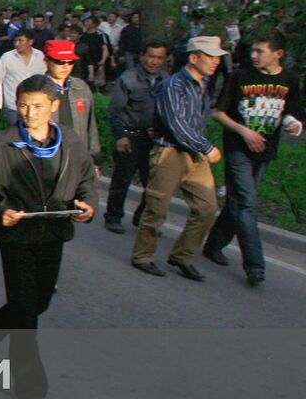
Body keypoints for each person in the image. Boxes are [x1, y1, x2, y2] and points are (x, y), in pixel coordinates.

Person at [0, 75, 97, 399]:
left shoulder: (70, 141)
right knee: (26, 314)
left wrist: (88, 205)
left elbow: (86, 180)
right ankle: (30, 390)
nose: (29, 112)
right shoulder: (4, 143)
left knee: (39, 302)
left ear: (55, 106)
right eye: (23, 104)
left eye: (38, 106)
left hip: (53, 233)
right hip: (17, 237)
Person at [202, 31, 302, 286]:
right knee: (247, 203)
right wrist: (244, 131)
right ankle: (255, 266)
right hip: (238, 148)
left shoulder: (289, 78)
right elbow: (219, 113)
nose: (254, 55)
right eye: (253, 51)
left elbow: (291, 111)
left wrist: (293, 124)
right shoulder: (240, 77)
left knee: (237, 201)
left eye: (260, 51)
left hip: (266, 149)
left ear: (278, 54)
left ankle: (213, 244)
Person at [131, 36, 228, 280]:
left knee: (207, 208)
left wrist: (200, 149)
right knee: (157, 209)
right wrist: (206, 147)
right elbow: (176, 124)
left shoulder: (203, 84)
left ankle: (182, 256)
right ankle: (143, 256)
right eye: (210, 57)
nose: (216, 62)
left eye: (218, 57)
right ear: (194, 58)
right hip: (170, 152)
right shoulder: (174, 85)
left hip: (194, 155)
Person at [104, 40, 169, 234]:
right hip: (130, 137)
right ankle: (113, 217)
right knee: (122, 180)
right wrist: (120, 136)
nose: (154, 61)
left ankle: (143, 218)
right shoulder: (129, 79)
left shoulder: (167, 80)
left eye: (159, 58)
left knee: (153, 183)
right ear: (142, 56)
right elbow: (115, 111)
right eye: (150, 56)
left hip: (155, 139)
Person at [43, 40, 101, 159]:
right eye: (60, 62)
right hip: (48, 155)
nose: (65, 66)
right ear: (46, 61)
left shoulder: (81, 87)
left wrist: (94, 156)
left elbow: (91, 125)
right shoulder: (37, 88)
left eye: (71, 62)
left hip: (78, 154)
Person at [0, 30, 46, 124]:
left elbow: (45, 78)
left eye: (20, 40)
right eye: (15, 41)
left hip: (36, 105)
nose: (17, 44)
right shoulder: (7, 57)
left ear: (30, 42)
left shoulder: (40, 56)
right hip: (13, 106)